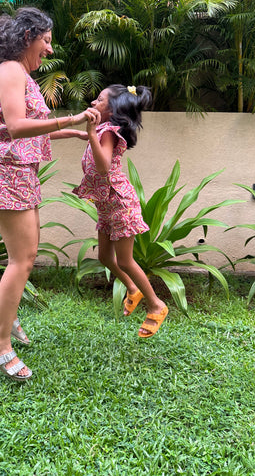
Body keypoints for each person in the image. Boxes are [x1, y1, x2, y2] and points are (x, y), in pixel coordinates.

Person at [0, 7, 100, 381]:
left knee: (25, 255)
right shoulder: (11, 69)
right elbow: (15, 126)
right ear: (28, 35)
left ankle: (6, 320)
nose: (49, 49)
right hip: (5, 169)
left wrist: (73, 133)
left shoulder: (19, 73)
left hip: (18, 170)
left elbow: (34, 127)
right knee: (22, 259)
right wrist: (72, 120)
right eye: (46, 40)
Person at [72, 84, 168, 338]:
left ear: (113, 109)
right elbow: (73, 133)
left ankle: (156, 305)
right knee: (105, 257)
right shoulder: (101, 130)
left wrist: (91, 132)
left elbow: (103, 168)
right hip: (107, 204)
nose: (94, 101)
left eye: (100, 99)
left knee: (125, 259)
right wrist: (39, 133)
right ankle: (132, 289)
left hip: (120, 203)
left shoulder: (108, 132)